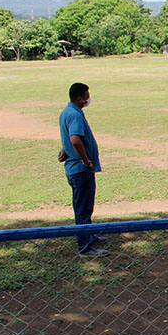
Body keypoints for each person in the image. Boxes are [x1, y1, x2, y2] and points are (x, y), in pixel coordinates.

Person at [57, 82, 108, 257]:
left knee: (85, 206)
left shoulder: (67, 112)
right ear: (80, 98)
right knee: (83, 208)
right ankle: (85, 247)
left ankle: (89, 235)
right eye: (87, 95)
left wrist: (65, 150)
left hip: (75, 168)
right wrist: (86, 161)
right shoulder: (75, 115)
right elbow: (75, 140)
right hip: (80, 170)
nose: (88, 98)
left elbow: (68, 138)